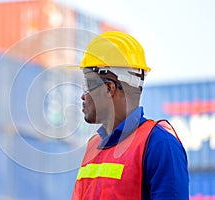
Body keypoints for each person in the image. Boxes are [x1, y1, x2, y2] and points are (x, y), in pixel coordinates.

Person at [71, 32, 189, 200]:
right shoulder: (93, 146)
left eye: (87, 85)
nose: (83, 96)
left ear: (109, 88)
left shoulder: (160, 145)